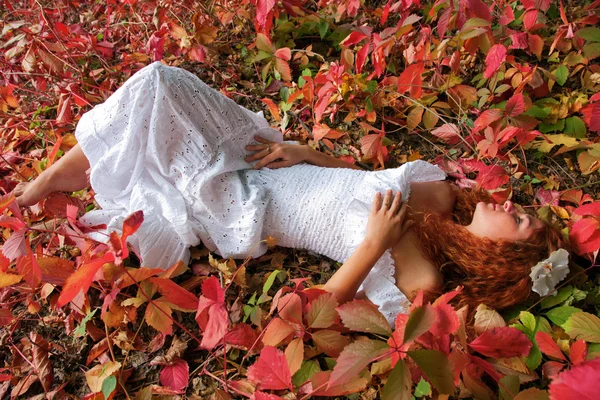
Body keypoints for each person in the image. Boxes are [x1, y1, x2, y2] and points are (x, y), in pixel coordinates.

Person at [13, 62, 567, 325]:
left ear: (500, 258)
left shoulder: (421, 276)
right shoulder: (443, 195)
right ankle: (61, 173)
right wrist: (308, 153)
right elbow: (354, 177)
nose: (512, 206)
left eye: (519, 223)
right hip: (271, 160)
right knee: (163, 80)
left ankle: (52, 180)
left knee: (161, 99)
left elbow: (305, 315)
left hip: (241, 203)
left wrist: (372, 245)